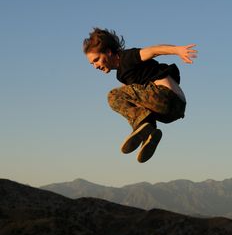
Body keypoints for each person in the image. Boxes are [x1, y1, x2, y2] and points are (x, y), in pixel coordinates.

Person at [83, 28, 197, 163]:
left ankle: (145, 127)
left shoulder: (127, 57)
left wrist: (177, 50)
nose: (95, 66)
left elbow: (154, 50)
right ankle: (150, 135)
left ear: (108, 52)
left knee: (114, 95)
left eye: (96, 60)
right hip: (175, 111)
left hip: (166, 96)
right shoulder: (122, 74)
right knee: (131, 99)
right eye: (92, 63)